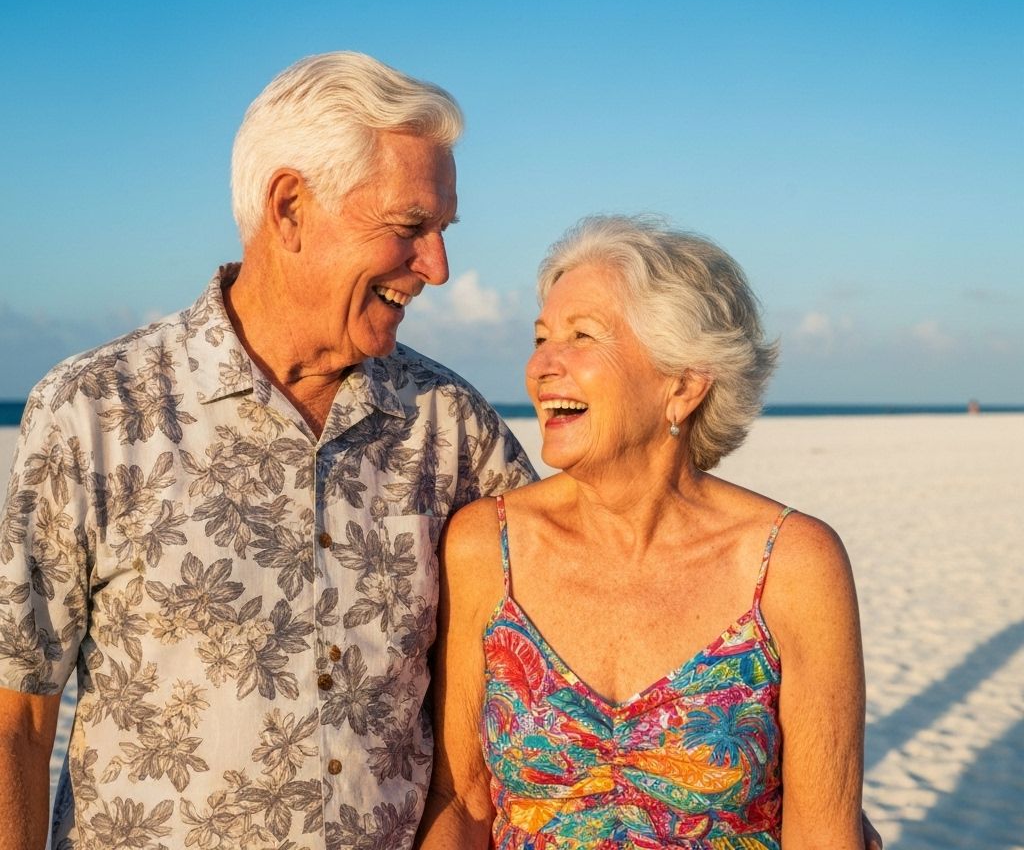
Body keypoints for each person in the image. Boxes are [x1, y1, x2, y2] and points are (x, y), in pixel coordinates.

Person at [0, 52, 536, 849]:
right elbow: (15, 718)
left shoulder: (454, 428)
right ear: (290, 208)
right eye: (409, 227)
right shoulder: (93, 413)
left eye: (442, 232)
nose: (438, 267)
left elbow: (550, 647)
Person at [417, 215, 870, 849]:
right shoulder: (486, 548)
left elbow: (824, 831)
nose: (541, 364)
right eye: (541, 338)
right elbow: (461, 799)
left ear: (682, 385)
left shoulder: (793, 564)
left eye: (582, 336)